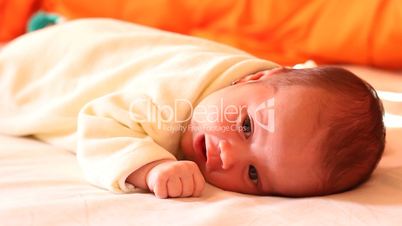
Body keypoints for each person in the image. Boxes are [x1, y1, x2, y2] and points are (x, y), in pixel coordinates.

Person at [0, 19, 385, 199]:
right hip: (49, 62)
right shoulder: (173, 97)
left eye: (254, 174)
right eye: (248, 127)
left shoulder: (270, 92)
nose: (226, 154)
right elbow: (99, 122)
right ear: (255, 78)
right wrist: (151, 168)